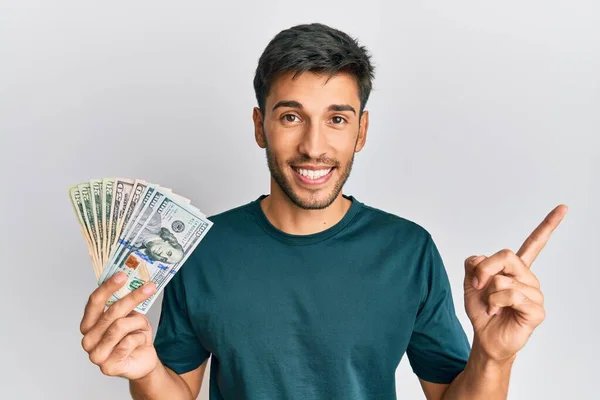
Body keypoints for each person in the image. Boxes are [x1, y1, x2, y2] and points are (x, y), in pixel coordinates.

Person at [79, 23, 567, 399]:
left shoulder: (408, 250)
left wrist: (495, 356)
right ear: (259, 126)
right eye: (291, 117)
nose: (314, 146)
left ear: (361, 131)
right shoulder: (203, 247)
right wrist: (145, 372)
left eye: (337, 119)